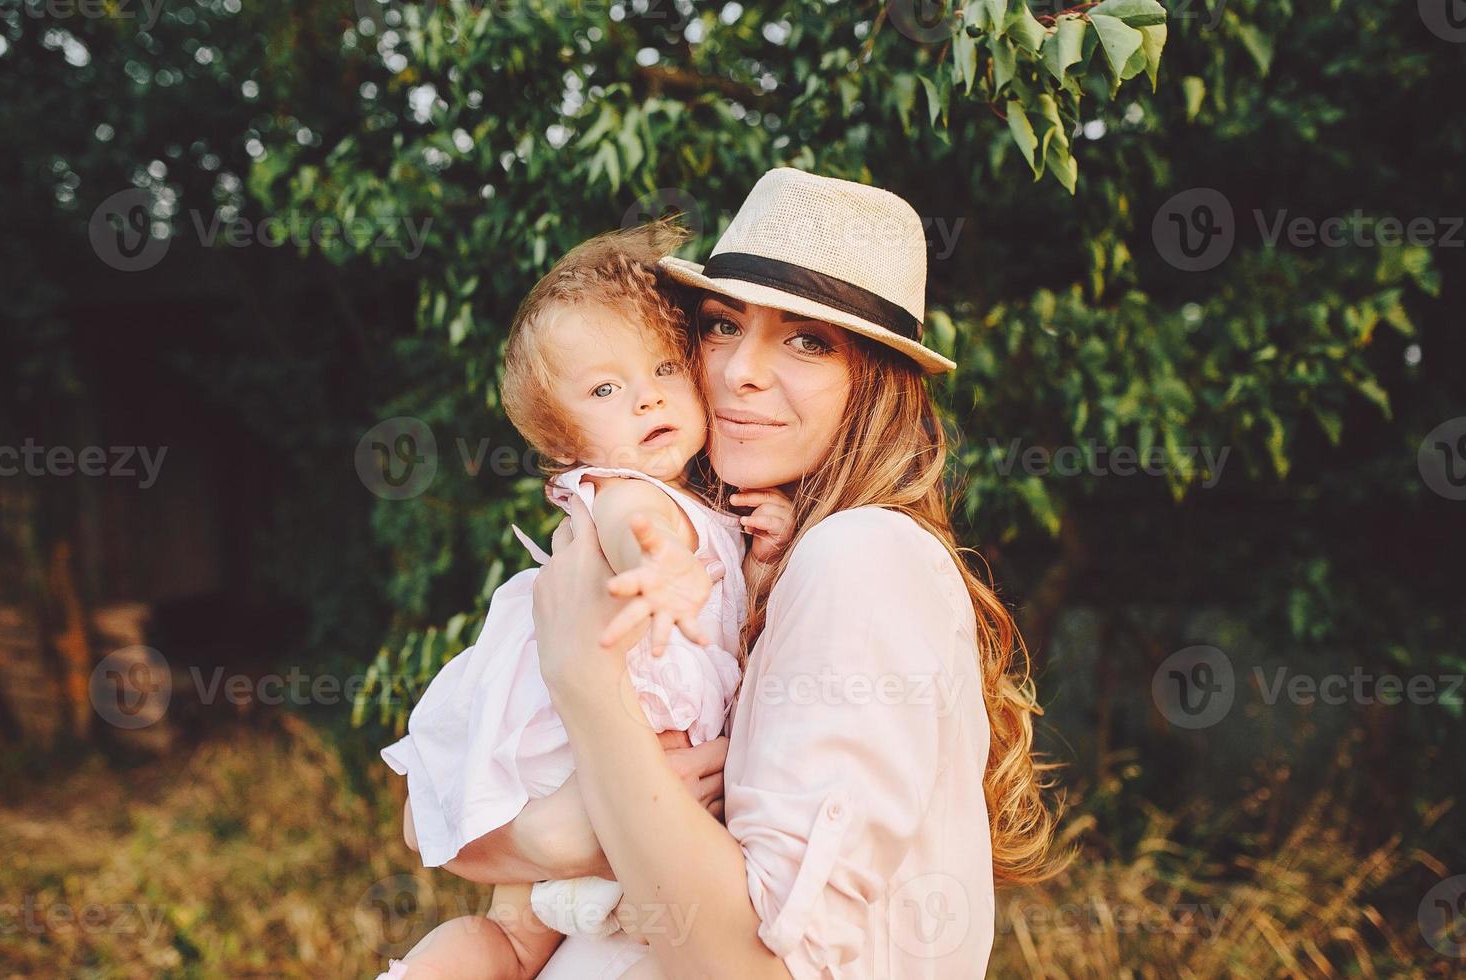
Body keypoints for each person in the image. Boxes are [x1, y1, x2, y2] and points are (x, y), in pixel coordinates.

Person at [448, 168, 1064, 979]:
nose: (739, 370)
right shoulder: (720, 552)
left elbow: (751, 968)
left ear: (873, 384)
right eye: (719, 325)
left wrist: (584, 684)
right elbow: (449, 824)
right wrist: (550, 833)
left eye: (808, 340)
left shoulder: (863, 555)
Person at [373, 223, 797, 980]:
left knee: (509, 945)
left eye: (665, 368)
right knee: (520, 934)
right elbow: (640, 533)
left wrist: (759, 556)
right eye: (605, 390)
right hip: (589, 758)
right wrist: (664, 564)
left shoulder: (705, 503)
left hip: (618, 793)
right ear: (565, 438)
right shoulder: (620, 494)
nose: (645, 399)